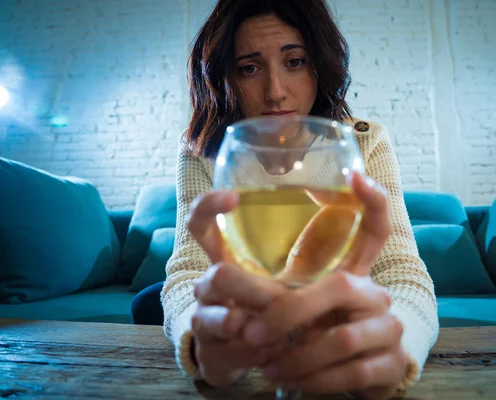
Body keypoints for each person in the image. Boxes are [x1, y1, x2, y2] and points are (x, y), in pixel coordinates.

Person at [133, 0, 439, 398]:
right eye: (249, 68)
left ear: (321, 64)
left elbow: (402, 272)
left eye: (294, 61)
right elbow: (190, 271)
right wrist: (200, 335)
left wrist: (394, 344)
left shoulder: (363, 142)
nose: (275, 92)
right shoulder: (205, 150)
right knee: (147, 303)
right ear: (226, 76)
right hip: (245, 312)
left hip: (333, 312)